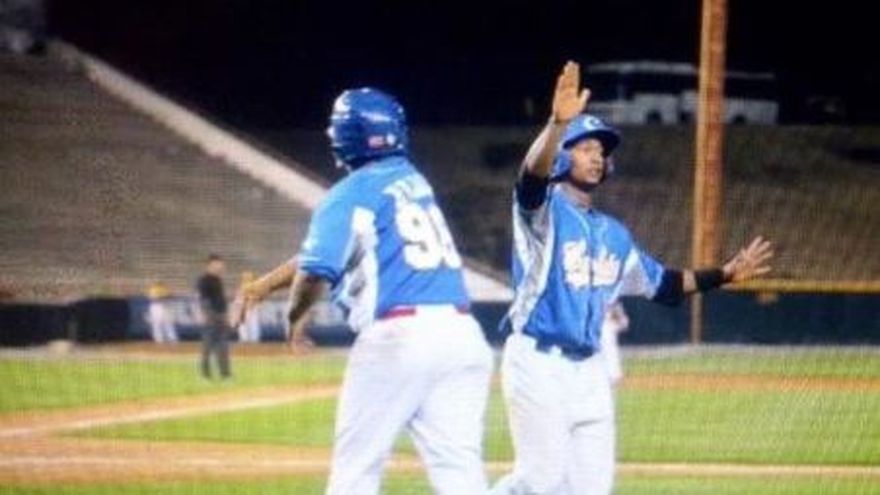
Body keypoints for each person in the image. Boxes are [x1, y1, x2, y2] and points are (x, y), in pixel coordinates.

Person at [490, 61, 774, 495]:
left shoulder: (615, 236)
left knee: (592, 488)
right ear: (563, 154)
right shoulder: (543, 213)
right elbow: (531, 178)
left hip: (590, 370)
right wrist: (557, 124)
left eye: (601, 151)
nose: (597, 156)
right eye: (586, 148)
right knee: (540, 481)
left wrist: (724, 274)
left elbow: (665, 285)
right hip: (538, 362)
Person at [235, 88, 494, 495]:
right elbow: (328, 252)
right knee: (460, 475)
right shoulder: (412, 179)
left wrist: (294, 318)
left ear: (344, 138)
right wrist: (267, 284)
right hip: (462, 338)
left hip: (399, 338)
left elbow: (316, 271)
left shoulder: (350, 191)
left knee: (355, 473)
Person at [196, 254, 232, 379]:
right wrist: (206, 314)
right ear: (210, 265)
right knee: (207, 347)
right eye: (217, 264)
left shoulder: (218, 280)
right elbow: (203, 299)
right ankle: (205, 375)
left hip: (220, 315)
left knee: (223, 347)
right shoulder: (204, 280)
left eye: (221, 264)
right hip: (211, 316)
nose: (220, 266)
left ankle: (225, 374)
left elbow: (221, 300)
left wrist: (226, 315)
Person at [600, 300, 629, 385]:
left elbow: (623, 322)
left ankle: (612, 376)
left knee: (609, 351)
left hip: (606, 328)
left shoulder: (611, 298)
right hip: (599, 328)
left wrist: (620, 319)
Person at [231, 271, 262, 343]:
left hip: (251, 313)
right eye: (245, 279)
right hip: (243, 314)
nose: (247, 281)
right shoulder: (240, 291)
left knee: (254, 334)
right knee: (244, 335)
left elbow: (257, 303)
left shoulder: (256, 290)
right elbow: (237, 305)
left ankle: (254, 346)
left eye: (249, 279)